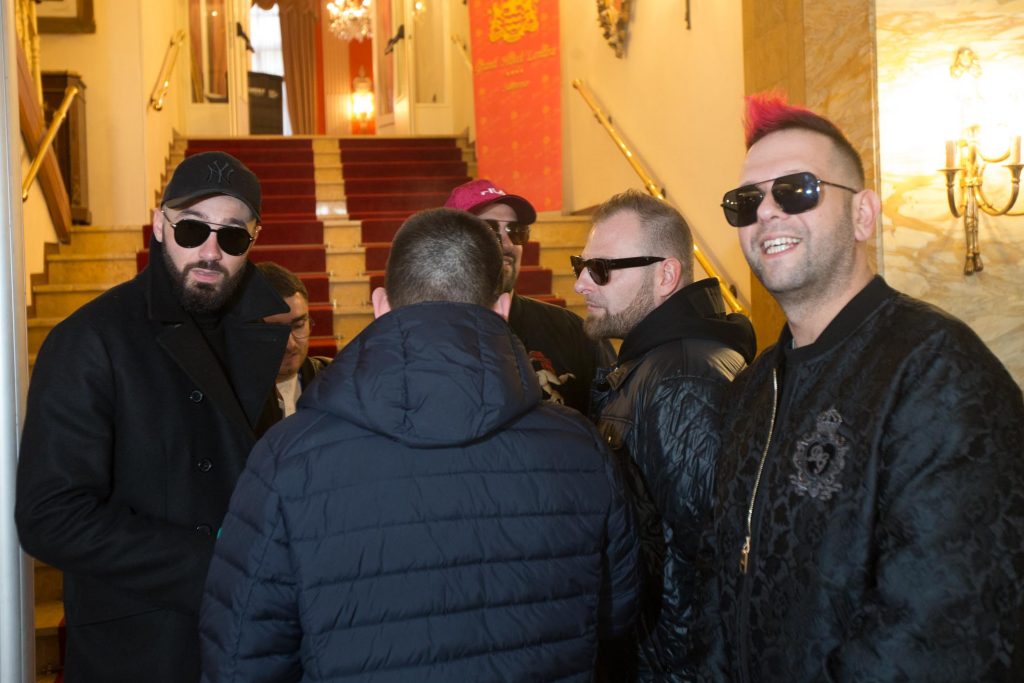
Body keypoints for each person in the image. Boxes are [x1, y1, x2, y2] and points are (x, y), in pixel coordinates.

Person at [199, 207, 640, 682]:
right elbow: (615, 615)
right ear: (502, 308)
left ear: (381, 304)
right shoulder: (580, 449)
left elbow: (241, 655)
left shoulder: (287, 458)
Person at [706, 94, 1024, 682]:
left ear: (863, 215)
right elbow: (726, 591)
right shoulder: (752, 389)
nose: (766, 212)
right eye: (746, 201)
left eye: (796, 190)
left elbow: (939, 630)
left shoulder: (938, 370)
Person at [16, 151, 291, 683]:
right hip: (142, 648)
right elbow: (50, 516)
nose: (210, 251)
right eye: (192, 228)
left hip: (248, 636)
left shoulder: (257, 335)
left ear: (254, 240)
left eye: (233, 236)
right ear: (160, 225)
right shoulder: (90, 339)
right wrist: (215, 564)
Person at [572, 190, 756, 681]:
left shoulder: (681, 378)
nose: (580, 283)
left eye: (601, 269)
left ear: (666, 275)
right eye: (580, 265)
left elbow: (710, 566)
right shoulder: (658, 364)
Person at [445, 178, 614, 412]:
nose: (507, 243)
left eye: (516, 231)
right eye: (487, 229)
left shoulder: (574, 333)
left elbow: (613, 422)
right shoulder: (426, 337)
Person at [255, 261, 330, 424]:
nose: (290, 345)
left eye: (298, 325)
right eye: (274, 331)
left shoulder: (334, 380)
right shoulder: (227, 400)